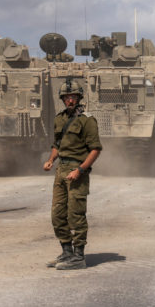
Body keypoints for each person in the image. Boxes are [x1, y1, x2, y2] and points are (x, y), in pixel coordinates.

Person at [42, 79, 102, 270]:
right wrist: (51, 160)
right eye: (67, 97)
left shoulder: (87, 120)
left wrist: (81, 170)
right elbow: (57, 145)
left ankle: (79, 256)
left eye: (73, 97)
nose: (70, 100)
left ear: (79, 98)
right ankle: (66, 251)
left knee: (75, 214)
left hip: (77, 171)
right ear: (62, 99)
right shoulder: (59, 119)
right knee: (57, 214)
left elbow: (95, 149)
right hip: (61, 171)